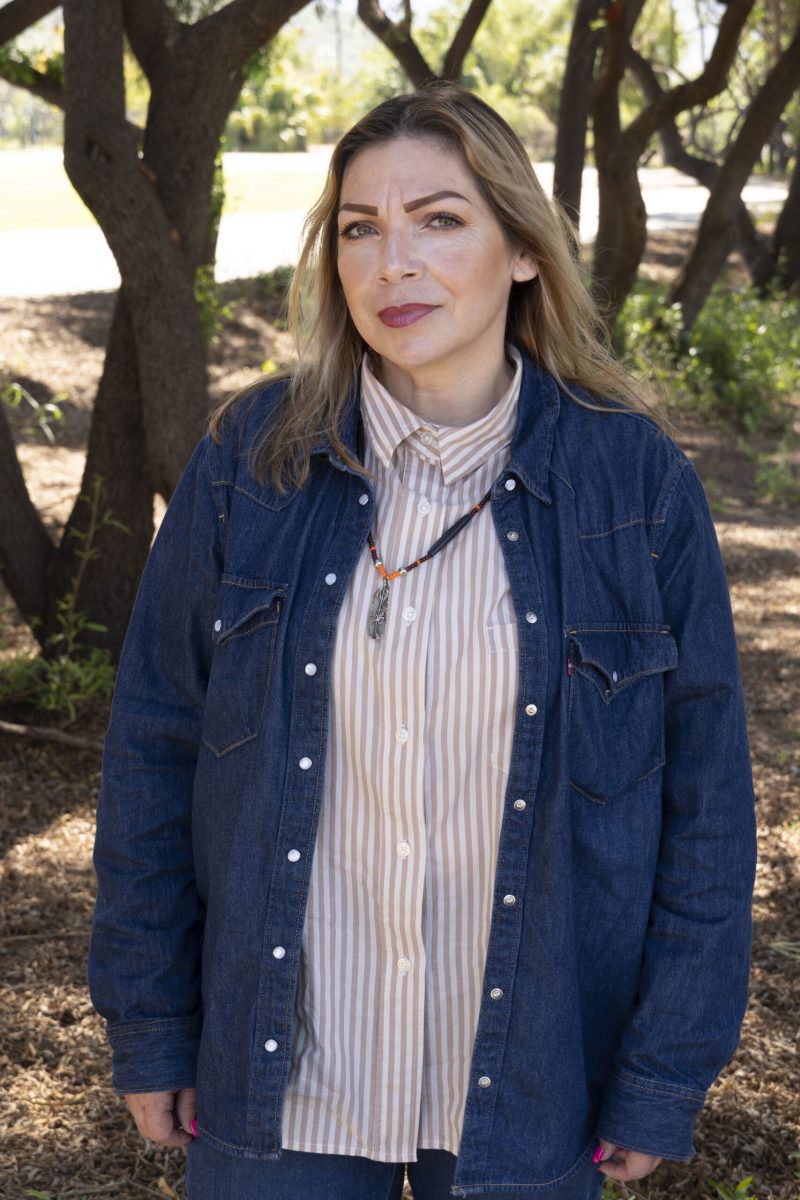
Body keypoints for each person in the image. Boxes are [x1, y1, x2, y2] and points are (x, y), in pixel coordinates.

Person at [87, 81, 758, 1200]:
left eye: (438, 219)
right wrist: (150, 1015)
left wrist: (660, 1071)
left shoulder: (632, 483)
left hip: (534, 1081)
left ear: (523, 251)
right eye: (360, 228)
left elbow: (703, 805)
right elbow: (156, 744)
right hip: (281, 1078)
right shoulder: (251, 462)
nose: (391, 261)